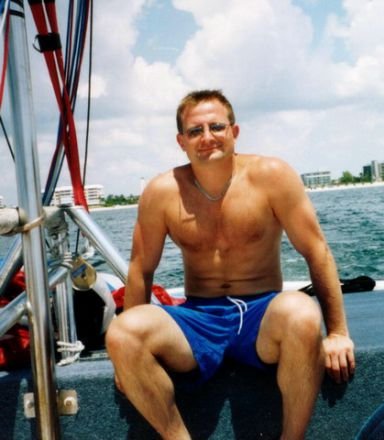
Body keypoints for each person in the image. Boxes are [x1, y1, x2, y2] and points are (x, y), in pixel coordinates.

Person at [106, 89, 355, 440]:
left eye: (217, 127)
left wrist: (338, 333)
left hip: (261, 314)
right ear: (181, 141)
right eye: (195, 131)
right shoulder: (162, 192)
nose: (207, 137)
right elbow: (141, 268)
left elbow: (317, 251)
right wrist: (127, 358)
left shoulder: (272, 176)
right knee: (122, 332)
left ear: (234, 132)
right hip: (199, 318)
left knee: (301, 312)